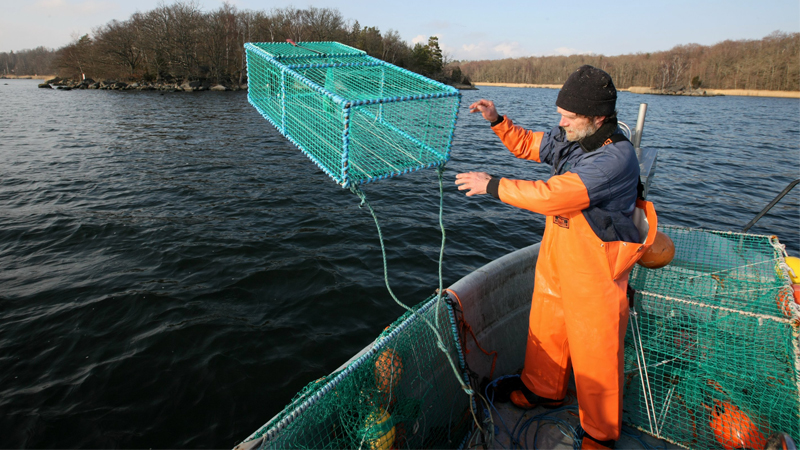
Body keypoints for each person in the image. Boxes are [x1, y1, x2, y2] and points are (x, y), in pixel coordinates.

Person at [455, 65, 658, 449]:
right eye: (560, 114)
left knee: (596, 351)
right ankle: (543, 389)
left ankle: (599, 433)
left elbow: (555, 195)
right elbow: (530, 144)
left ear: (597, 118)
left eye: (568, 116)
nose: (560, 122)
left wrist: (492, 185)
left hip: (596, 268)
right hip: (559, 255)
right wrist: (497, 120)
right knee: (546, 325)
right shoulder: (573, 135)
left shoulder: (615, 159)